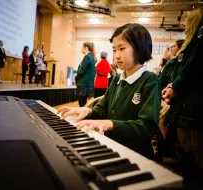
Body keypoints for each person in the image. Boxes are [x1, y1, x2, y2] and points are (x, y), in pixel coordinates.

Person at [58, 23, 161, 158]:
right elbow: (102, 110)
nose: (116, 55)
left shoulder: (149, 80)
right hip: (110, 147)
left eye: (122, 48)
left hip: (135, 154)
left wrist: (110, 124)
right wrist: (88, 111)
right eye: (114, 50)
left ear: (140, 48)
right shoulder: (117, 79)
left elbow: (147, 126)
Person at [161, 7, 203, 189]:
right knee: (188, 147)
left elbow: (193, 67)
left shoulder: (191, 48)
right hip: (183, 99)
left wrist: (175, 87)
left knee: (194, 149)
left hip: (192, 100)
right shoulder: (187, 48)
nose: (185, 27)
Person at [75, 42, 97, 107]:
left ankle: (82, 117)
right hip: (89, 84)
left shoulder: (87, 57)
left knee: (82, 105)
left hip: (83, 84)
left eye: (82, 47)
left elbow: (81, 71)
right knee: (85, 105)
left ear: (86, 48)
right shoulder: (92, 57)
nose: (81, 49)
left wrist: (76, 78)